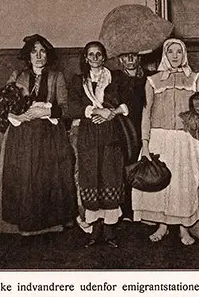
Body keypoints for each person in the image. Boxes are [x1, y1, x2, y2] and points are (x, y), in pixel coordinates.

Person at [133, 38, 199, 246]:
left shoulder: (195, 79)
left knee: (184, 185)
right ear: (165, 55)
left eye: (179, 52)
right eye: (171, 52)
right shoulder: (153, 81)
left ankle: (184, 229)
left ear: (184, 54)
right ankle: (162, 226)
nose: (175, 56)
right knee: (161, 184)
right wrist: (146, 143)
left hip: (187, 139)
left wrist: (197, 128)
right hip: (160, 138)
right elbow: (146, 114)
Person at [0, 34, 75, 238]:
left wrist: (47, 112)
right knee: (27, 177)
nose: (39, 55)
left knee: (49, 177)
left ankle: (52, 224)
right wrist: (19, 114)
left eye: (42, 52)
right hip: (23, 136)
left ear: (47, 55)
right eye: (34, 52)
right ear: (28, 56)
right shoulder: (19, 77)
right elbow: (5, 104)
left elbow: (66, 108)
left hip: (50, 136)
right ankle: (28, 224)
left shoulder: (57, 76)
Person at [69, 41, 130, 248]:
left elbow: (126, 102)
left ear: (104, 57)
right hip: (88, 134)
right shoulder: (79, 81)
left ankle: (110, 231)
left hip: (110, 133)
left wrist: (110, 113)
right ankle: (95, 231)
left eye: (98, 54)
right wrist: (96, 111)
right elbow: (72, 108)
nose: (95, 58)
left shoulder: (116, 77)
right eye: (91, 55)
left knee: (110, 174)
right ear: (86, 58)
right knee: (90, 176)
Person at [114, 52, 152, 221]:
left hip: (143, 125)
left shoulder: (149, 78)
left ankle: (143, 210)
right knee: (124, 166)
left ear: (139, 58)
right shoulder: (115, 80)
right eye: (126, 56)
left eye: (133, 56)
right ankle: (126, 210)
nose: (130, 60)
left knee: (142, 164)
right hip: (122, 128)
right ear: (121, 60)